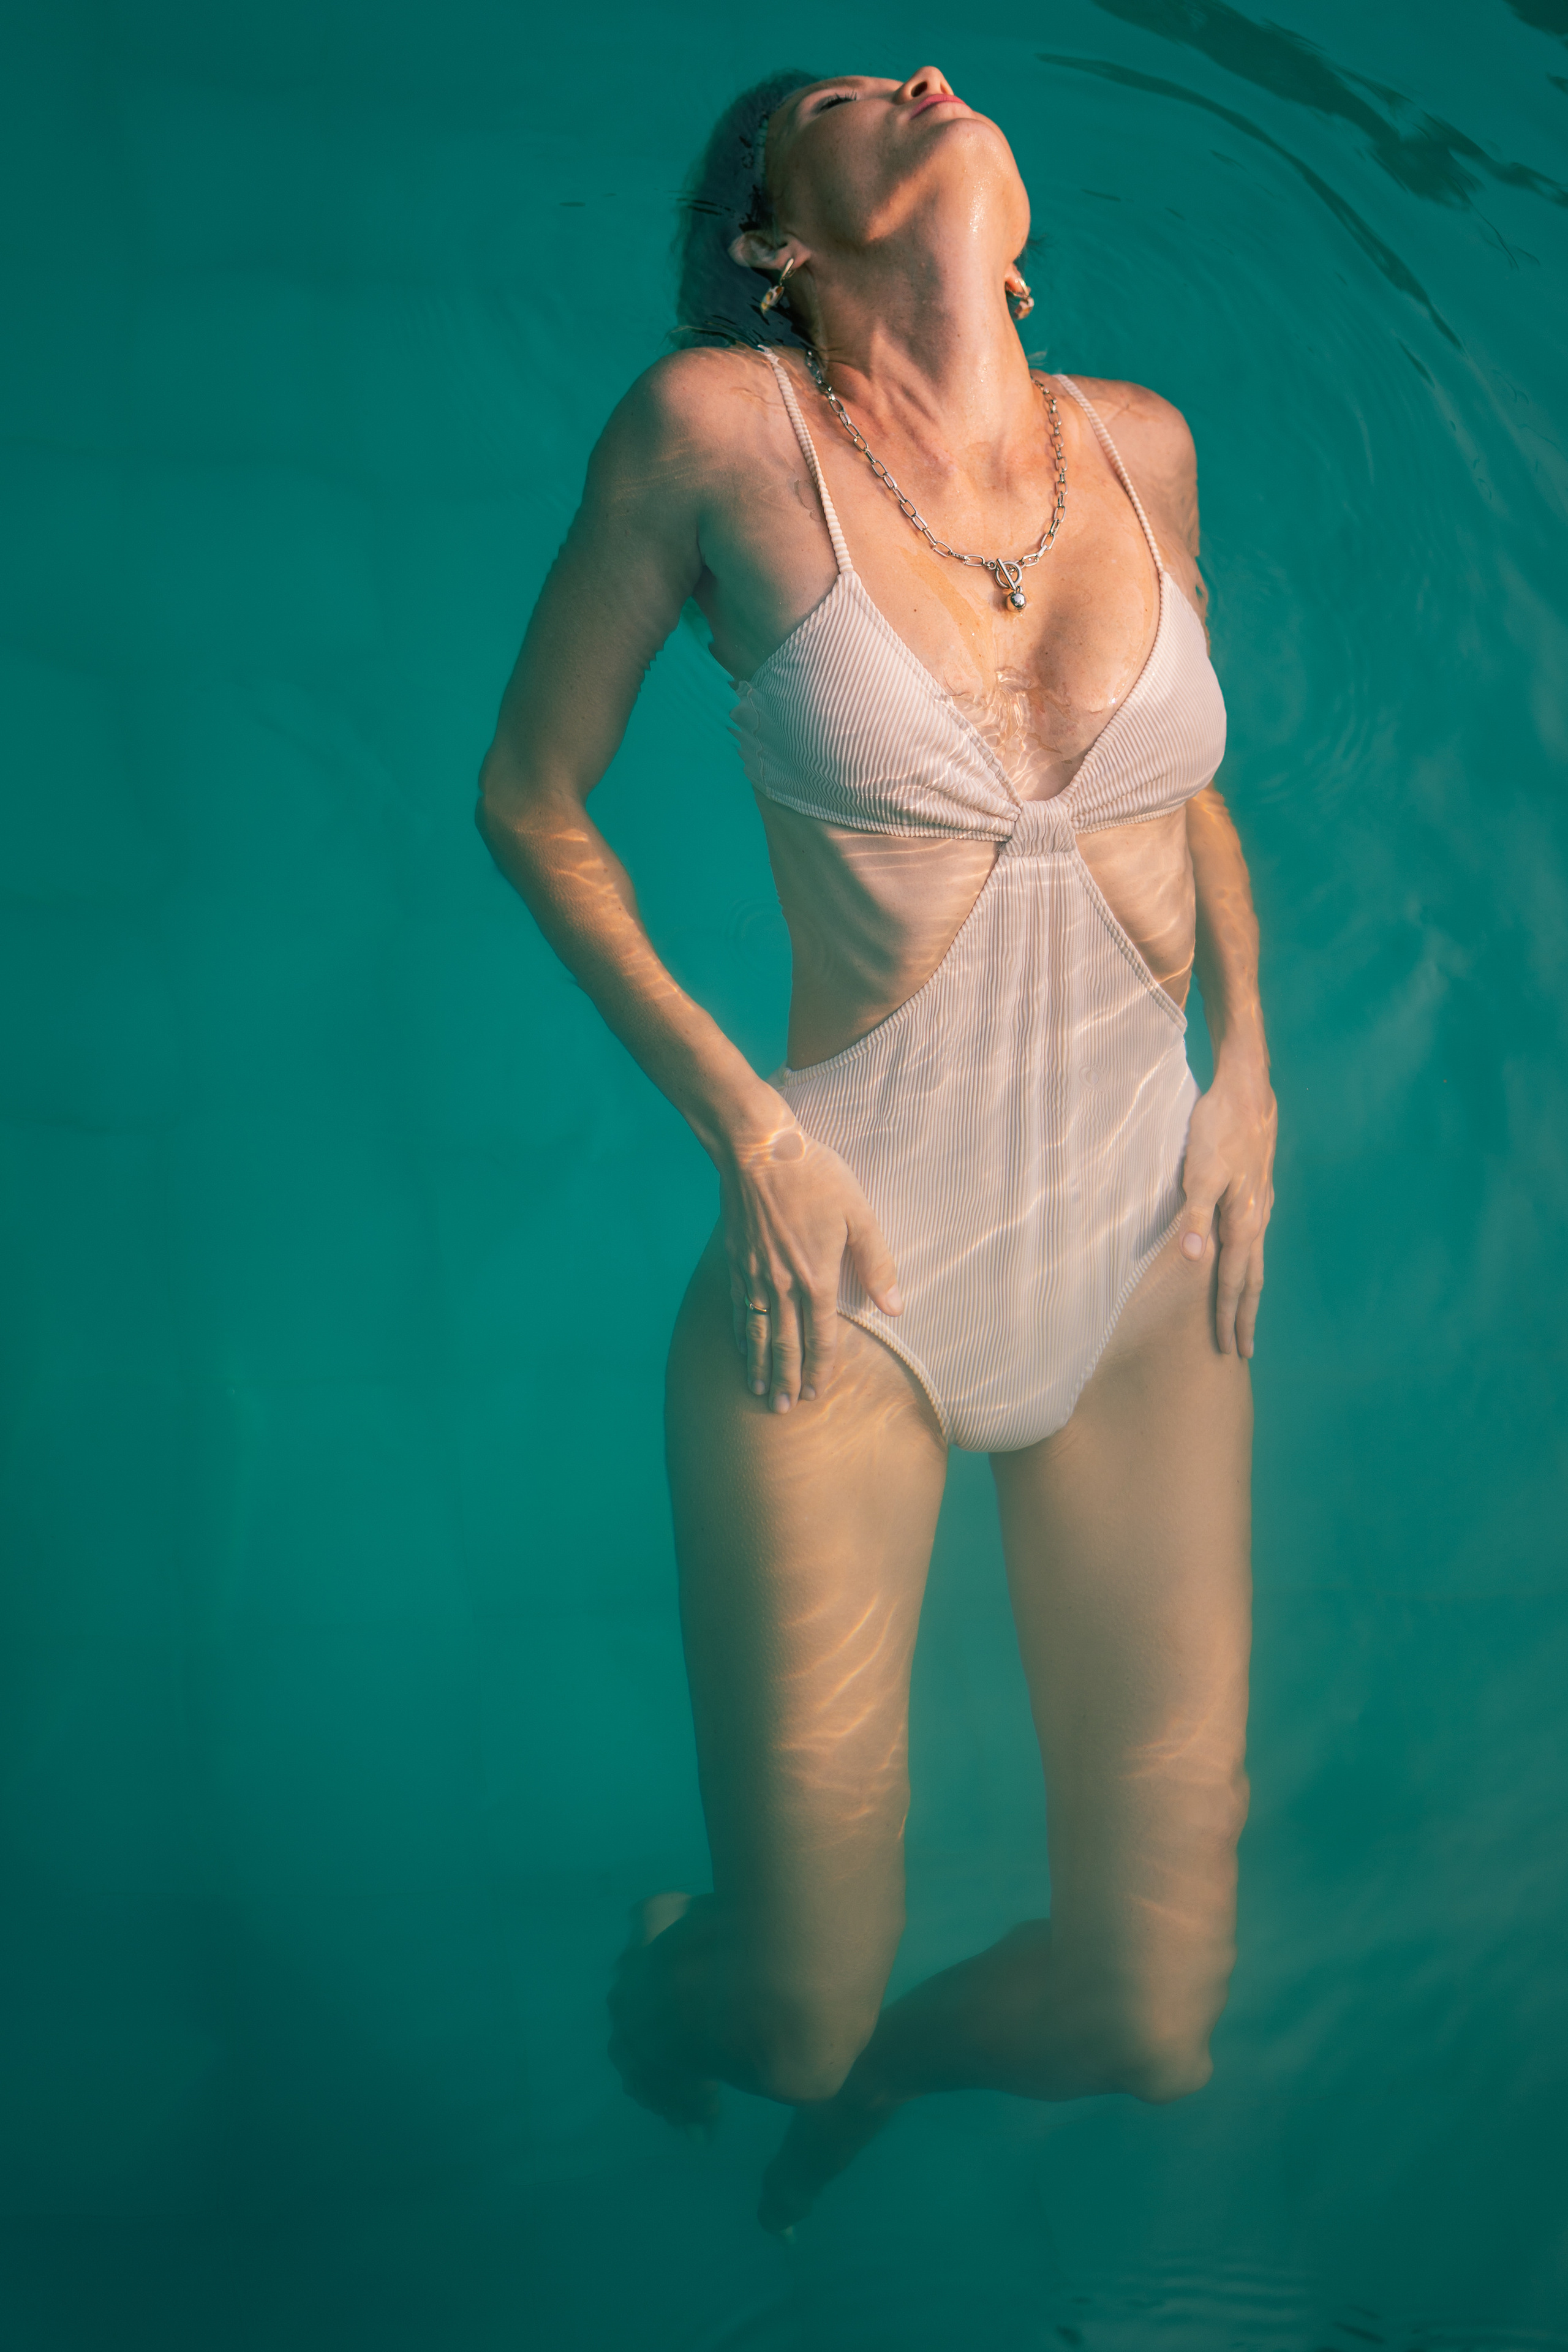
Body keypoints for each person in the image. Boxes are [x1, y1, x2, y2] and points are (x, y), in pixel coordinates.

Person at [477, 66, 1277, 2233]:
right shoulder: (714, 438)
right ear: (778, 243)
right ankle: (698, 1991)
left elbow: (1182, 778)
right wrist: (750, 1131)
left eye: (930, 71)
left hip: (1145, 1262)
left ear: (1019, 244)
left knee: (1150, 2015)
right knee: (786, 2015)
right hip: (850, 1283)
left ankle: (894, 2083)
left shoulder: (1146, 443)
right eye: (849, 97)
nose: (925, 77)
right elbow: (529, 804)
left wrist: (1255, 1076)